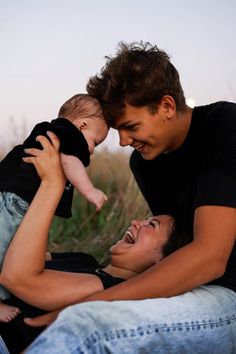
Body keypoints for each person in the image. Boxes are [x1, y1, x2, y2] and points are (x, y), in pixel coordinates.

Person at [23, 41, 236, 353]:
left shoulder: (223, 127)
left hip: (225, 292)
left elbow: (210, 255)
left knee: (89, 326)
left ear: (166, 106)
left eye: (131, 126)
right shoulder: (145, 163)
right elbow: (166, 246)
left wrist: (92, 302)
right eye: (118, 130)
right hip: (184, 284)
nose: (123, 141)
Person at [0, 131, 182, 352]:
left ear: (162, 260)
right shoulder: (84, 260)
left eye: (151, 225)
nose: (136, 222)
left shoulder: (109, 290)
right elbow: (10, 253)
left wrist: (53, 185)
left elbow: (17, 277)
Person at [0, 93, 108, 321]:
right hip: (13, 203)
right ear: (82, 125)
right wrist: (89, 190)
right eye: (95, 142)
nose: (91, 150)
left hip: (15, 201)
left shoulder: (55, 134)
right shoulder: (66, 135)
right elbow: (70, 162)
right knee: (2, 247)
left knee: (10, 249)